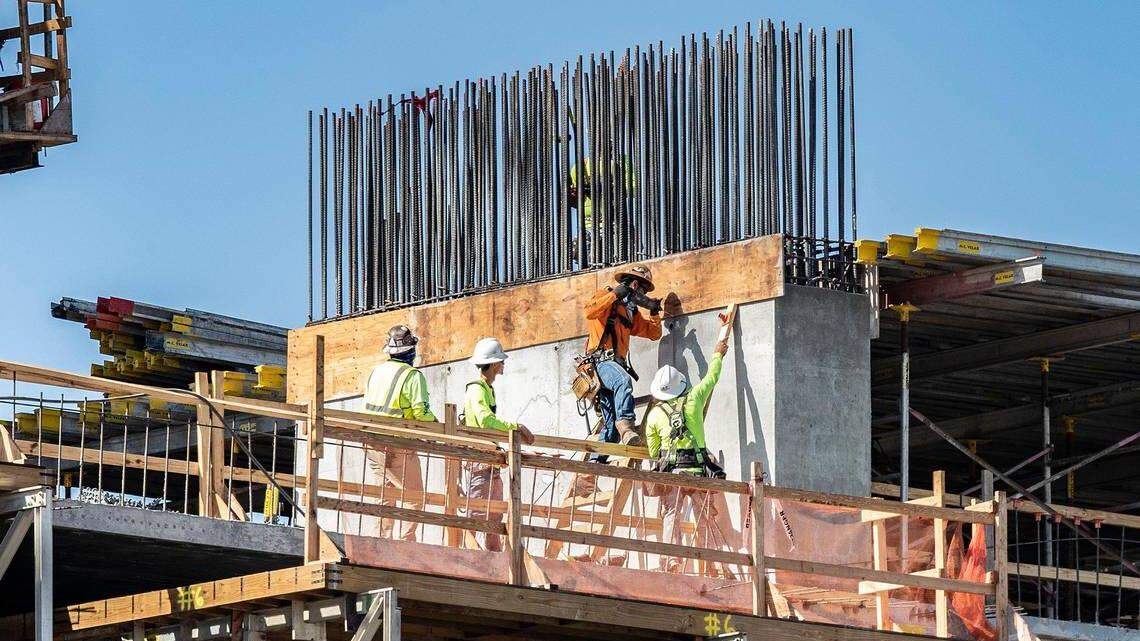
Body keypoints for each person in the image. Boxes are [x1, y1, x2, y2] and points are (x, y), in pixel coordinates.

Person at [645, 337, 729, 572]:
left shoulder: (654, 416)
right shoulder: (694, 399)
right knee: (704, 517)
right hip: (699, 472)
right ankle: (710, 561)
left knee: (672, 514)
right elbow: (711, 378)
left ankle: (673, 559)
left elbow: (654, 452)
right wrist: (717, 353)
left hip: (673, 476)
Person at [362, 325, 436, 541]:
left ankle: (381, 541)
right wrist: (437, 426)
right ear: (411, 351)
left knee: (385, 496)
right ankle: (405, 544)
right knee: (413, 497)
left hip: (372, 441)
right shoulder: (412, 375)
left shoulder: (377, 372)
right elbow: (420, 412)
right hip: (397, 442)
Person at [582, 264, 664, 456]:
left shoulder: (630, 312)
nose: (642, 298)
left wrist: (653, 311)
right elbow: (589, 312)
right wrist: (614, 295)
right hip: (601, 363)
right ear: (634, 285)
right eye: (642, 292)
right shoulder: (605, 296)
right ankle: (626, 425)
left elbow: (653, 334)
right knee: (622, 381)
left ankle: (591, 471)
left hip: (614, 365)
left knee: (610, 433)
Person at [463, 337, 536, 551]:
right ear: (494, 364)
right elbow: (485, 420)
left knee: (495, 512)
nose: (503, 365)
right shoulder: (477, 389)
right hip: (480, 458)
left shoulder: (486, 389)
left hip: (490, 459)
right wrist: (515, 428)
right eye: (501, 361)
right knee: (477, 510)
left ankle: (494, 557)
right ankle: (471, 556)